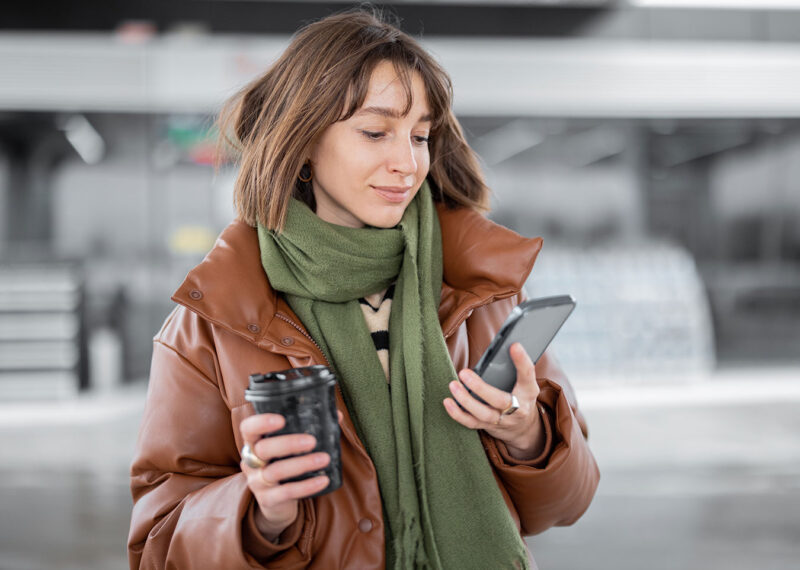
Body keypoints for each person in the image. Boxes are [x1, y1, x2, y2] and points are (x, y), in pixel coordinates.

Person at [128, 8, 599, 570]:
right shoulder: (214, 319)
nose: (407, 162)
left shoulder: (482, 289)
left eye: (420, 135)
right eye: (376, 132)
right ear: (302, 140)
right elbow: (157, 544)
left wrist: (527, 435)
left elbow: (570, 500)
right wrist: (257, 512)